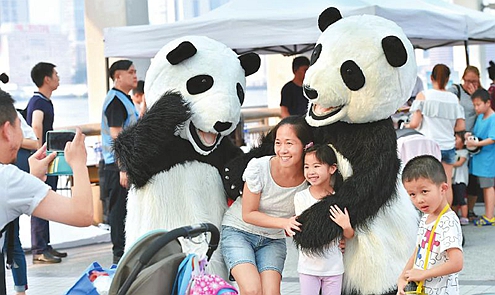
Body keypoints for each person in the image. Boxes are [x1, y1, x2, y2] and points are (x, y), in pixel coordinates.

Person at [0, 89, 93, 294]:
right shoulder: (8, 178)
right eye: (21, 127)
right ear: (7, 130)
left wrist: (30, 177)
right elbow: (83, 214)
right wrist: (78, 164)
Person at [220, 116, 313, 295]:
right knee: (252, 290)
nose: (282, 150)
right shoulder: (259, 168)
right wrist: (284, 223)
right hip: (239, 232)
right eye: (278, 143)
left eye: (289, 143)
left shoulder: (309, 176)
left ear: (306, 146)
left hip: (271, 240)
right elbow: (248, 214)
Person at [398, 155, 463, 295]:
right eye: (412, 194)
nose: (419, 200)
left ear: (443, 188)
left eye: (424, 192)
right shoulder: (426, 217)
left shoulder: (448, 221)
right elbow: (418, 250)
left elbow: (456, 263)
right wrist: (402, 277)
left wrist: (423, 274)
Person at [294, 143, 351, 295]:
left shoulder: (339, 199)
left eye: (316, 166)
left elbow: (349, 235)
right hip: (308, 268)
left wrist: (345, 226)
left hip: (334, 268)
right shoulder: (301, 198)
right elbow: (304, 230)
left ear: (332, 169)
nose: (310, 172)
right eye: (306, 167)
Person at [404, 64, 465, 205]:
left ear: (431, 78)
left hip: (429, 146)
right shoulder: (454, 99)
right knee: (446, 183)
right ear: (448, 78)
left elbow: (414, 124)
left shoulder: (424, 95)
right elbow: (461, 126)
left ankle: (430, 219)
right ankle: (445, 219)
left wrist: (405, 125)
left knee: (427, 185)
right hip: (449, 145)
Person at [25, 62, 66, 264]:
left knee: (47, 201)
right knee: (41, 203)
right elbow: (36, 124)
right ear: (47, 79)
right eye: (56, 74)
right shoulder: (38, 102)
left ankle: (46, 245)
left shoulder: (44, 101)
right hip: (42, 159)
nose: (58, 77)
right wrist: (41, 151)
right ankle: (39, 249)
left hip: (46, 157)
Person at [101, 60, 138, 264]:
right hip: (116, 166)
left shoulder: (126, 98)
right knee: (118, 212)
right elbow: (116, 136)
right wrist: (123, 167)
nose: (135, 75)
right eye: (130, 72)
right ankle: (119, 255)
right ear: (118, 76)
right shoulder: (115, 101)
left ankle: (126, 252)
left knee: (126, 210)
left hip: (124, 165)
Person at [2, 112, 38, 295]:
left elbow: (34, 142)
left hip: (10, 184)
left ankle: (20, 290)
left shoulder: (10, 113)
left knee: (12, 240)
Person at [449, 65, 483, 220]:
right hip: (456, 138)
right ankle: (454, 209)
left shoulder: (480, 93)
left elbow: (481, 112)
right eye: (468, 80)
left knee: (473, 177)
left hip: (473, 137)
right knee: (456, 177)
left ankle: (469, 210)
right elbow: (450, 106)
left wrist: (474, 95)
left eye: (474, 80)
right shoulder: (455, 90)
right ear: (462, 78)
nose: (471, 83)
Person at [465, 89, 495, 226]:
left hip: (487, 159)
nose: (476, 108)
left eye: (478, 105)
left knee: (488, 186)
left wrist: (476, 143)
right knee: (484, 186)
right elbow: (476, 133)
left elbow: (492, 139)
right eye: (474, 105)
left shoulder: (493, 118)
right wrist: (469, 136)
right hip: (479, 159)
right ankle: (488, 214)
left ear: (488, 103)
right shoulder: (480, 117)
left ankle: (489, 216)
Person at [452, 131, 469, 226]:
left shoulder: (464, 152)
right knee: (454, 199)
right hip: (453, 180)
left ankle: (464, 217)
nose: (454, 141)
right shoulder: (453, 152)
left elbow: (459, 163)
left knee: (461, 199)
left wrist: (448, 164)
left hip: (461, 179)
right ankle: (455, 216)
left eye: (456, 138)